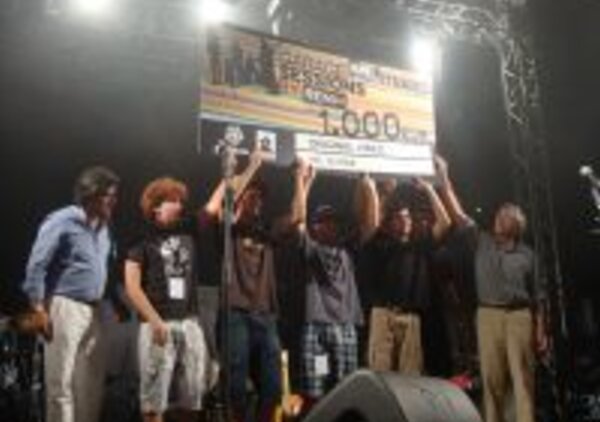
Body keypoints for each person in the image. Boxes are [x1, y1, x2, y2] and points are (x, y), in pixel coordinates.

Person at [436, 156, 547, 422]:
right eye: (499, 213)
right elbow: (458, 214)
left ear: (518, 224)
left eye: (507, 214)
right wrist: (444, 178)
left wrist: (541, 329)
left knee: (523, 380)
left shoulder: (527, 255)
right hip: (488, 316)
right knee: (491, 381)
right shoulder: (481, 242)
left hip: (520, 317)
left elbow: (539, 297)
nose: (499, 216)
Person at [21, 165, 120, 422]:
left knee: (91, 385)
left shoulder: (105, 229)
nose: (114, 201)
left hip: (95, 310)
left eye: (115, 195)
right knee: (61, 384)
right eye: (108, 195)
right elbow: (37, 264)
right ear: (90, 194)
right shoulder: (62, 220)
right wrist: (38, 308)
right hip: (64, 306)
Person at [124, 177, 216, 422]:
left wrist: (247, 167)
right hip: (158, 324)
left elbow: (214, 205)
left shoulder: (188, 228)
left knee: (192, 401)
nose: (179, 205)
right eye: (173, 201)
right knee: (153, 405)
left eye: (180, 201)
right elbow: (132, 285)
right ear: (156, 206)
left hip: (189, 323)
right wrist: (154, 320)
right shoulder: (142, 238)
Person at [289, 162, 377, 406]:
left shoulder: (348, 249)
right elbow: (298, 220)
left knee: (345, 389)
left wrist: (368, 186)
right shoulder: (310, 248)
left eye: (333, 221)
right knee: (317, 389)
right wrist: (302, 180)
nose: (330, 225)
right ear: (314, 226)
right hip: (316, 329)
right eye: (323, 221)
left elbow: (371, 226)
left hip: (345, 326)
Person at [363, 174, 451, 375]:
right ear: (390, 222)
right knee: (382, 374)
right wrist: (373, 191)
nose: (406, 220)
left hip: (411, 316)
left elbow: (445, 223)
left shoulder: (420, 245)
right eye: (400, 217)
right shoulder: (380, 244)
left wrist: (429, 189)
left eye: (408, 216)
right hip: (383, 314)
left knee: (410, 375)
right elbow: (373, 223)